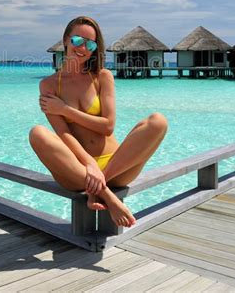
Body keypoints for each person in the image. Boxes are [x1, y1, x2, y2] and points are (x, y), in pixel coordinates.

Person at [29, 16, 168, 228]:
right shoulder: (48, 85)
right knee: (37, 133)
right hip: (77, 171)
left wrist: (65, 109)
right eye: (77, 40)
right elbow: (63, 134)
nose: (83, 47)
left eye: (90, 44)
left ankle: (97, 187)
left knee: (158, 121)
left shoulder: (102, 77)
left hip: (117, 166)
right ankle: (108, 196)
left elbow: (108, 126)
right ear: (66, 40)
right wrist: (89, 164)